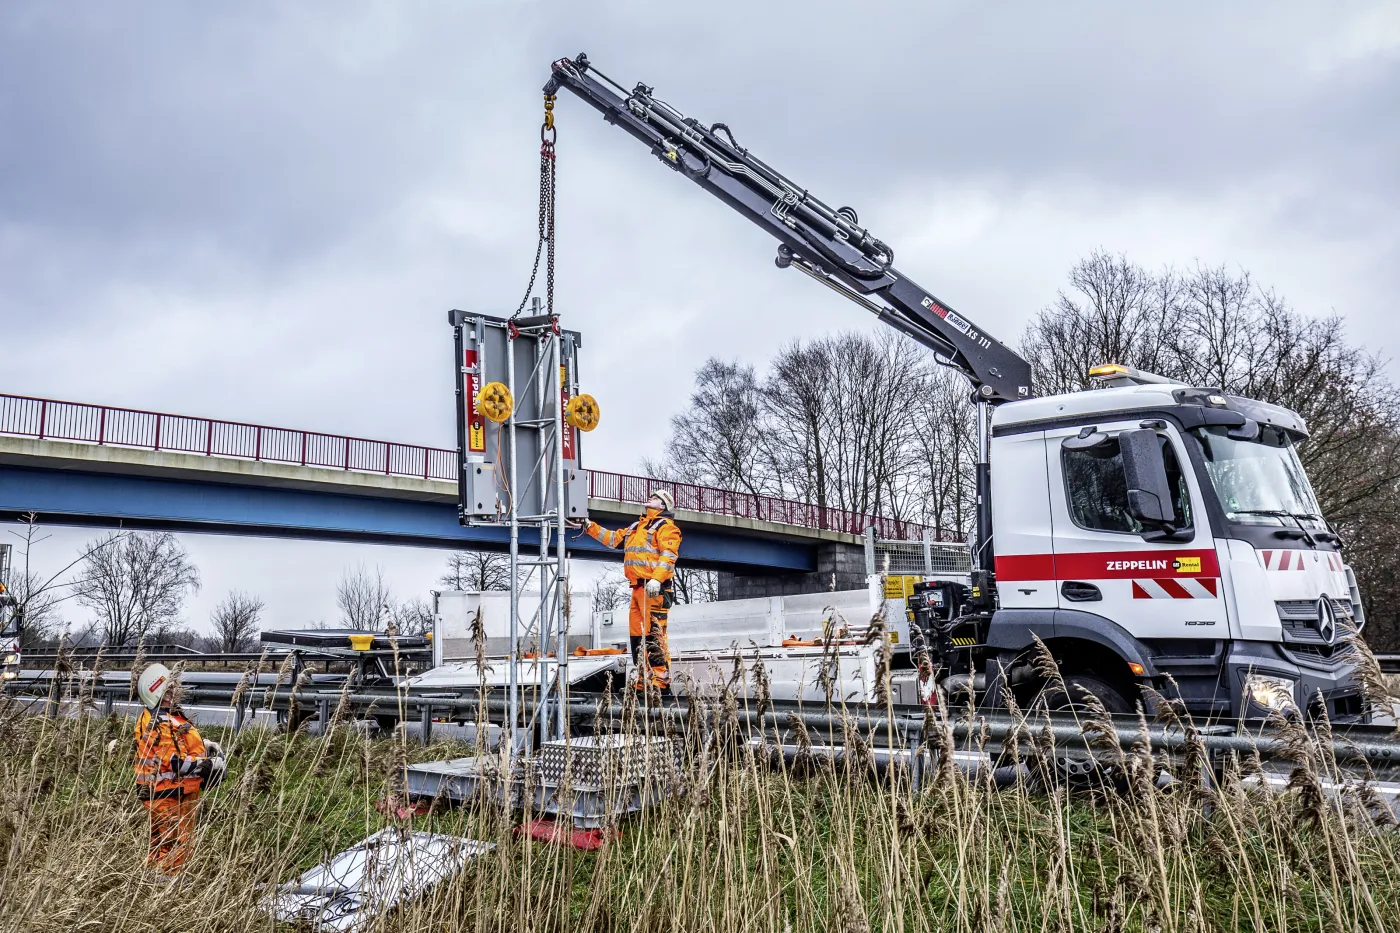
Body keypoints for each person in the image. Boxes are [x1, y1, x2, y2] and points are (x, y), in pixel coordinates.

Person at [574, 490, 682, 691]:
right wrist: (589, 526)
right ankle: (644, 680)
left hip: (655, 589)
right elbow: (612, 538)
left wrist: (657, 579)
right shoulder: (636, 527)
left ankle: (660, 682)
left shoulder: (667, 527)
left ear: (663, 506)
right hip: (638, 588)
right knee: (637, 637)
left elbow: (668, 556)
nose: (650, 497)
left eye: (655, 497)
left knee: (654, 635)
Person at [133, 663, 225, 874]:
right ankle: (167, 887)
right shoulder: (158, 722)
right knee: (175, 851)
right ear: (155, 694)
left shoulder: (165, 717)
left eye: (172, 688)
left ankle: (152, 883)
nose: (172, 694)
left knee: (161, 848)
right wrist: (209, 764)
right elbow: (176, 763)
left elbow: (178, 745)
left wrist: (204, 746)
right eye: (166, 690)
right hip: (168, 796)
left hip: (171, 795)